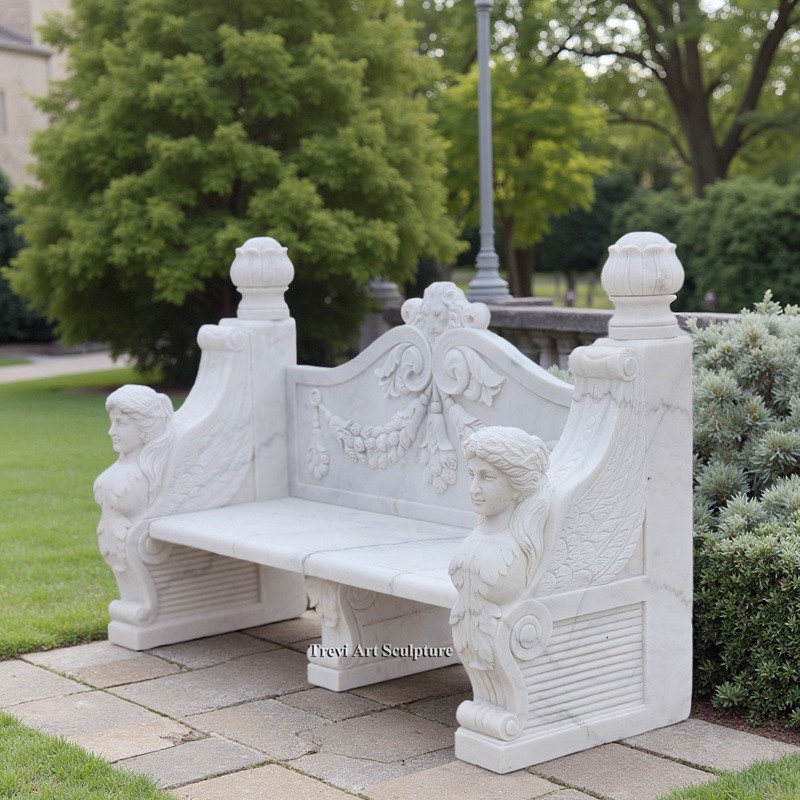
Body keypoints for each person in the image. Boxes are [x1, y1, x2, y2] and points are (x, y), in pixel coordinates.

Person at [449, 426, 551, 669]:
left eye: (487, 476)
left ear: (517, 484)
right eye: (472, 474)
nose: (474, 488)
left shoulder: (518, 547)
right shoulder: (483, 533)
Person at [93, 385, 174, 572]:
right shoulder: (123, 469)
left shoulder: (145, 477)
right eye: (112, 422)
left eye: (121, 423)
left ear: (146, 427)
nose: (111, 431)